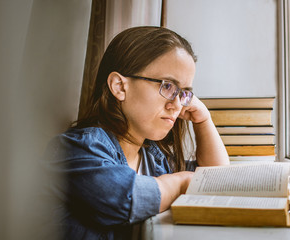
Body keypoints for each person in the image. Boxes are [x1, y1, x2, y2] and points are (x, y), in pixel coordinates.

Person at [43, 26, 229, 239]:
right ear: (120, 87)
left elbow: (216, 179)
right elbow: (125, 199)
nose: (177, 105)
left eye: (184, 93)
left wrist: (204, 120)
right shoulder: (78, 149)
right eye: (168, 86)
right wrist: (184, 182)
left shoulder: (154, 159)